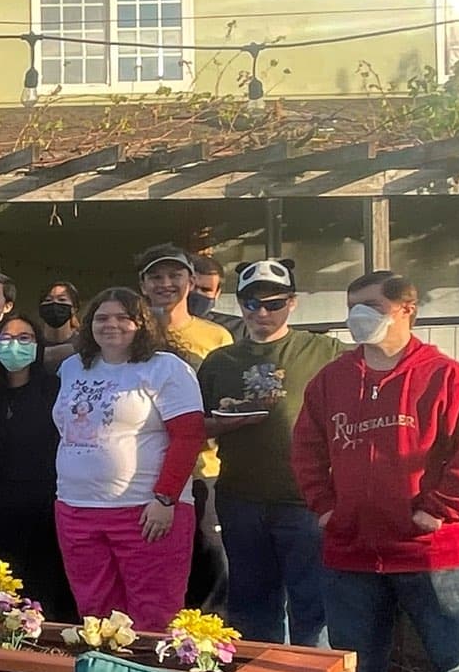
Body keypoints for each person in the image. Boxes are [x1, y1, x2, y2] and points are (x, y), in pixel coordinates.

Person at [291, 270, 459, 672]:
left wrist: (438, 511)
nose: (358, 318)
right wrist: (326, 509)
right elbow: (306, 450)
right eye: (351, 309)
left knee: (458, 666)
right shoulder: (331, 380)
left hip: (431, 553)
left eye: (371, 307)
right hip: (352, 551)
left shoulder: (446, 377)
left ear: (407, 309)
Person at [197, 260, 343, 646]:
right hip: (240, 497)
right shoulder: (219, 361)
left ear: (292, 303)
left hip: (306, 500)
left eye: (274, 303)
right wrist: (224, 423)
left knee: (315, 606)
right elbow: (196, 427)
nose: (262, 312)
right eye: (251, 303)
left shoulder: (324, 349)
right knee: (251, 605)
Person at [52, 288, 205, 633]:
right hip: (76, 509)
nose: (112, 325)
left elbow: (188, 437)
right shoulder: (73, 367)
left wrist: (165, 498)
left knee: (153, 616)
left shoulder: (166, 368)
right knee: (95, 616)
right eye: (102, 318)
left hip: (145, 510)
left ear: (143, 323)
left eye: (124, 317)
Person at [138, 243, 234, 611]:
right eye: (156, 277)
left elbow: (224, 405)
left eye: (174, 275)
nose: (165, 284)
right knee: (155, 569)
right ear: (143, 284)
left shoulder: (217, 337)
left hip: (202, 472)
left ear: (191, 281)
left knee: (212, 565)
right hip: (144, 475)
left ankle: (208, 651)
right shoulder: (130, 335)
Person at [0, 312, 73, 620]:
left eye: (24, 339)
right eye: (5, 338)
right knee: (3, 589)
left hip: (44, 505)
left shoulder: (54, 389)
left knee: (45, 587)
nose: (14, 346)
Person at [36, 282, 80, 347]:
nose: (54, 303)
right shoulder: (33, 343)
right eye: (48, 300)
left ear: (74, 309)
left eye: (62, 299)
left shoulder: (83, 344)